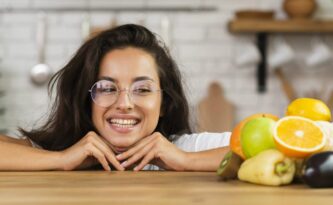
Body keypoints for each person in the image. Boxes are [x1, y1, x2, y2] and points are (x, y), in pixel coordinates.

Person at [0, 24, 230, 171]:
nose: (124, 104)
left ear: (164, 104)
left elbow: (267, 138)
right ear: (86, 99)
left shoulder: (183, 150)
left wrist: (186, 161)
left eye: (142, 89)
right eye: (107, 88)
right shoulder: (61, 152)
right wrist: (61, 160)